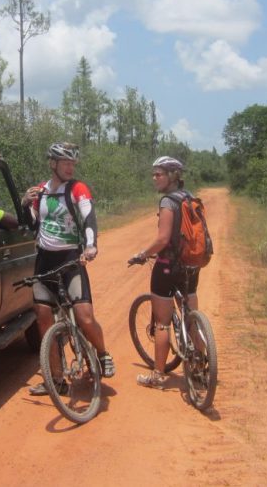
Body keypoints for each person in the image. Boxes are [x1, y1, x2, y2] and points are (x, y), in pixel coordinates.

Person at [22, 141, 114, 395]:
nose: (70, 168)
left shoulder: (78, 188)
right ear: (53, 164)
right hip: (44, 260)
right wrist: (24, 204)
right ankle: (56, 378)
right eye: (65, 163)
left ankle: (103, 353)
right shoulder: (39, 191)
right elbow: (31, 225)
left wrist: (91, 245)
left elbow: (88, 217)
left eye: (73, 163)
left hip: (71, 260)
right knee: (43, 318)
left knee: (84, 316)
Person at [128, 156, 199, 390]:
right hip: (191, 265)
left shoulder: (168, 202)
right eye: (154, 174)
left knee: (162, 324)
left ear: (172, 176)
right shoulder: (189, 197)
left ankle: (158, 375)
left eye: (158, 174)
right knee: (191, 318)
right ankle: (200, 368)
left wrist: (142, 254)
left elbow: (162, 239)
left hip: (168, 266)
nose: (154, 178)